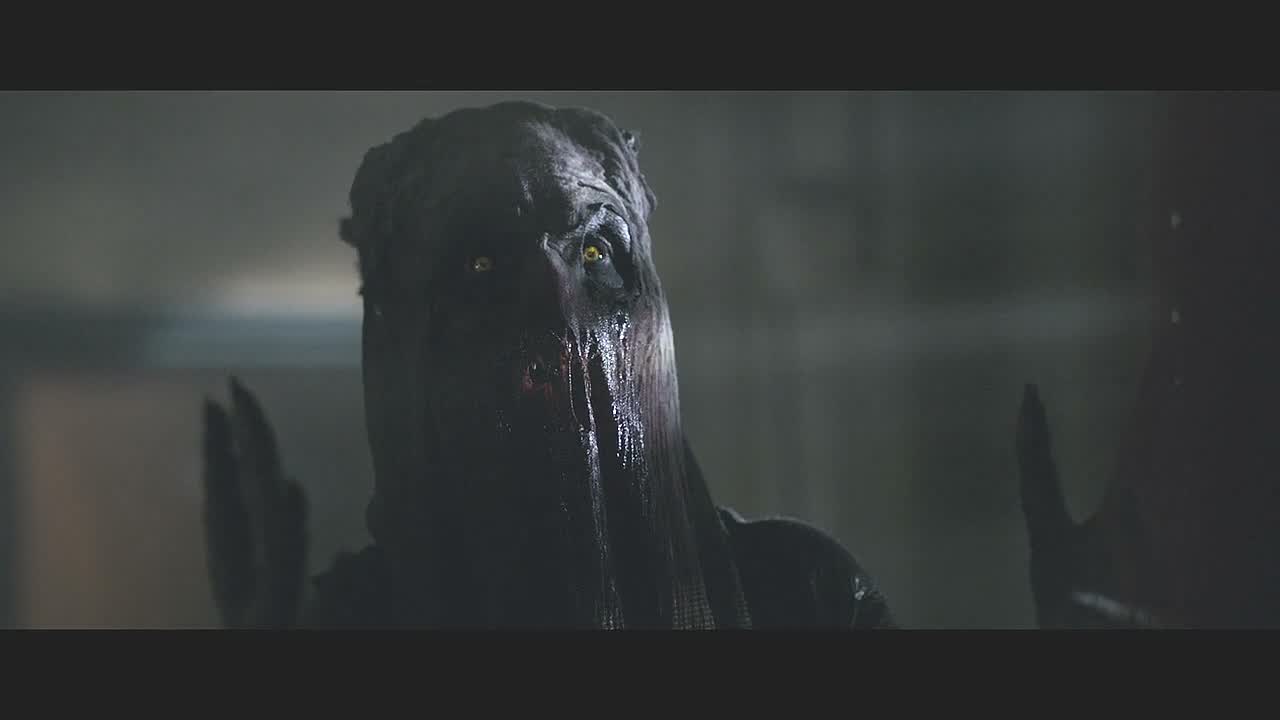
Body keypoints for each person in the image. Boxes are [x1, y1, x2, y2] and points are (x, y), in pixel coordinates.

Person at [201, 101, 894, 629]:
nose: (560, 323)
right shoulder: (349, 626)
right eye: (482, 267)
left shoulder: (801, 595)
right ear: (401, 347)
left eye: (596, 253)